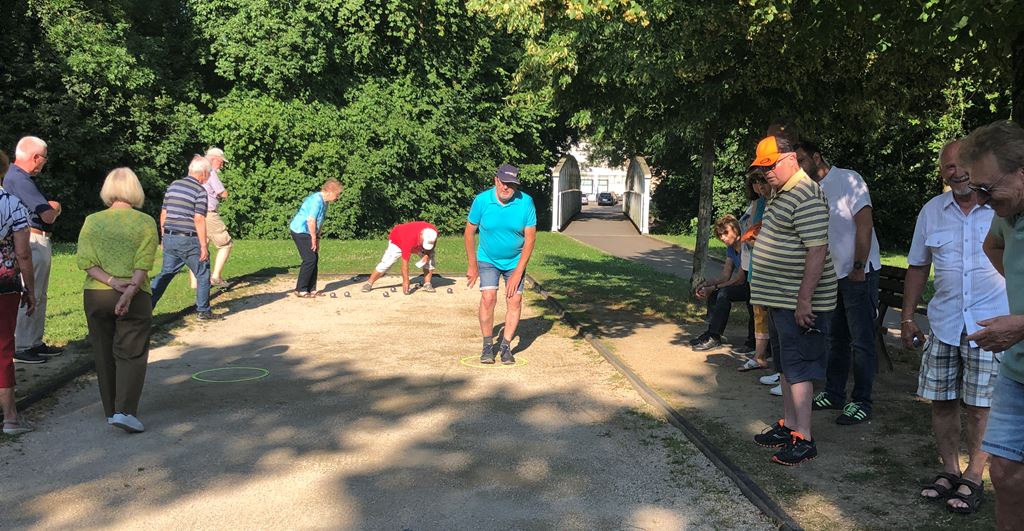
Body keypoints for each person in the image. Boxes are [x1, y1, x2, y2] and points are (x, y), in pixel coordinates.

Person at [902, 138, 1007, 513]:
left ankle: (974, 477)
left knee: (980, 407)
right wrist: (908, 315)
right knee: (942, 400)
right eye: (949, 166)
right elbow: (917, 265)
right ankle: (949, 470)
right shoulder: (931, 211)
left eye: (963, 164)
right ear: (942, 173)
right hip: (944, 322)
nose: (957, 172)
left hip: (989, 324)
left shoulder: (1001, 208)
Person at [748, 135, 838, 466]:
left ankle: (805, 437)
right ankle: (790, 426)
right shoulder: (781, 193)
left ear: (789, 160)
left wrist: (804, 302)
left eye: (769, 166)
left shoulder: (806, 195)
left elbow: (817, 250)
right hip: (779, 297)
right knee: (786, 365)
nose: (765, 173)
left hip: (796, 301)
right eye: (761, 167)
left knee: (800, 367)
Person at [959, 120, 1024, 528]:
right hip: (1018, 372)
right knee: (1003, 474)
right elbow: (993, 244)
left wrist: (1022, 323)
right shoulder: (1010, 213)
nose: (981, 200)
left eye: (987, 189)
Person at [796, 141, 883, 425]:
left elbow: (864, 224)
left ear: (816, 157)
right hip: (832, 278)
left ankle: (862, 401)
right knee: (836, 339)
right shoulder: (808, 190)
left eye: (800, 160)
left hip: (858, 273)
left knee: (861, 341)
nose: (797, 167)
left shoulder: (848, 179)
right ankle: (834, 393)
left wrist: (859, 266)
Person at [77, 168, 159, 433]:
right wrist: (128, 291)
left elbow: (86, 262)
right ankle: (125, 410)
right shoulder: (145, 221)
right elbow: (144, 262)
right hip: (135, 294)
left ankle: (110, 410)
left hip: (97, 293)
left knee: (103, 352)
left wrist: (111, 282)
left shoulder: (92, 221)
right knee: (131, 351)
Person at [465, 163, 537, 365]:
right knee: (488, 298)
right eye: (503, 182)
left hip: (515, 260)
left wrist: (518, 272)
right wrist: (472, 264)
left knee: (514, 300)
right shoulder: (482, 201)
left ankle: (505, 346)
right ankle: (488, 345)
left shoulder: (525, 203)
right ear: (496, 180)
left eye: (511, 184)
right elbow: (469, 231)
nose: (506, 188)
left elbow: (530, 239)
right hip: (487, 258)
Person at [4, 136, 62, 364]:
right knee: (30, 293)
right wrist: (56, 207)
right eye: (44, 159)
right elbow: (47, 213)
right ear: (36, 157)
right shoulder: (20, 179)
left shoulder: (18, 178)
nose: (44, 163)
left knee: (39, 293)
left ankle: (35, 341)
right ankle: (24, 345)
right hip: (33, 241)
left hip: (36, 240)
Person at [150, 156, 218, 320]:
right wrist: (203, 246)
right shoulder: (200, 191)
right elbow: (199, 219)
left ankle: (145, 307)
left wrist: (163, 237)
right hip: (189, 239)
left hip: (170, 236)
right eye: (208, 173)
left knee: (166, 273)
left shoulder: (174, 185)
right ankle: (203, 311)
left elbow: (164, 213)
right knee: (202, 273)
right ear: (202, 173)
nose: (209, 177)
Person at [0, 149, 37, 436]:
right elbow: (24, 254)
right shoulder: (12, 204)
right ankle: (11, 418)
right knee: (2, 350)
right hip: (5, 287)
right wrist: (31, 290)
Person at [690, 215, 749, 352]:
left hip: (753, 286)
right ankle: (712, 332)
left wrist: (714, 287)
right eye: (720, 234)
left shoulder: (745, 246)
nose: (722, 237)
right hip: (743, 285)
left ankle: (715, 337)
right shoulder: (731, 248)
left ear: (736, 230)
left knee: (723, 293)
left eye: (726, 233)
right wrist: (706, 284)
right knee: (717, 292)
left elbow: (739, 279)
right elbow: (725, 275)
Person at [738, 171, 773, 374]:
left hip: (770, 266)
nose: (759, 187)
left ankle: (776, 362)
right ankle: (759, 356)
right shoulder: (758, 204)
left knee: (774, 315)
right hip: (756, 264)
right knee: (758, 311)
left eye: (762, 182)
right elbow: (751, 230)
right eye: (755, 183)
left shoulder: (776, 202)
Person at [289, 178, 344, 297]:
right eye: (337, 194)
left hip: (310, 231)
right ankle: (300, 289)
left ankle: (311, 289)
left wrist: (317, 238)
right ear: (329, 191)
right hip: (300, 230)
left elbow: (320, 221)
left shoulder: (325, 202)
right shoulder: (316, 201)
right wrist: (313, 238)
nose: (337, 197)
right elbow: (311, 220)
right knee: (309, 259)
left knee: (314, 258)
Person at [189, 147, 232, 288]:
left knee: (201, 246)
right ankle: (216, 277)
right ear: (214, 159)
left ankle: (195, 282)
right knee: (225, 244)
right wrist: (226, 193)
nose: (222, 165)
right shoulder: (210, 171)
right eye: (221, 162)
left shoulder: (196, 167)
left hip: (194, 212)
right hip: (208, 213)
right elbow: (222, 193)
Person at [362, 221, 438, 294]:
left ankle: (427, 283)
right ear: (421, 236)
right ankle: (369, 283)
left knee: (430, 259)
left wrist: (427, 254)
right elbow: (405, 263)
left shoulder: (433, 232)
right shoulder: (409, 238)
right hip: (398, 241)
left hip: (416, 243)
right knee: (387, 263)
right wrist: (406, 281)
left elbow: (433, 245)